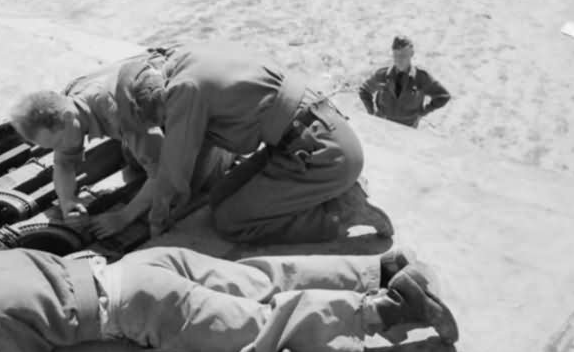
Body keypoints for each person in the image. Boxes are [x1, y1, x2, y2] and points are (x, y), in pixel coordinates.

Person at [0, 245, 458, 352]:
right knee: (260, 278)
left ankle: (386, 308)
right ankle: (379, 268)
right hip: (141, 265)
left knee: (258, 329)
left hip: (141, 307)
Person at [111, 42, 393, 244]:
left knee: (232, 223)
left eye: (163, 121)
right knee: (220, 197)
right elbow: (198, 148)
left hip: (322, 153)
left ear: (159, 103)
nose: (167, 126)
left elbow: (174, 169)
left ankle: (341, 213)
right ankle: (332, 190)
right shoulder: (185, 58)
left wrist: (154, 220)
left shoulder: (183, 91)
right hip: (303, 140)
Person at [7, 55, 234, 239]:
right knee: (135, 158)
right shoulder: (69, 106)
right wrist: (68, 202)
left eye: (56, 143)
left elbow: (164, 174)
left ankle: (225, 154)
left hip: (200, 109)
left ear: (68, 117)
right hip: (148, 109)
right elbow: (63, 162)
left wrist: (124, 217)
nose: (59, 149)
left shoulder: (123, 115)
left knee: (186, 185)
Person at [358, 36, 451, 128]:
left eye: (403, 56)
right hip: (382, 127)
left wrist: (423, 112)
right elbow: (364, 90)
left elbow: (443, 96)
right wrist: (371, 112)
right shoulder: (382, 75)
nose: (399, 60)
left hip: (407, 130)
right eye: (396, 55)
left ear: (411, 54)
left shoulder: (421, 78)